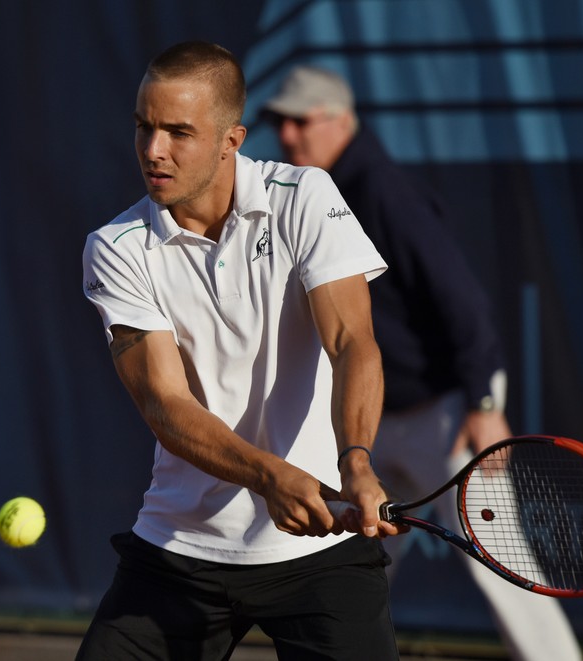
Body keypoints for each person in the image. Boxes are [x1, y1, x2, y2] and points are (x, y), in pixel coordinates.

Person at [79, 42, 407, 660]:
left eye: (179, 131)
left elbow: (352, 342)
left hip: (320, 558)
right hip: (179, 552)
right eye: (144, 127)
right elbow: (165, 405)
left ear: (232, 139)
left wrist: (356, 462)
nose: (154, 150)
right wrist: (268, 476)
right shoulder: (116, 247)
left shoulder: (305, 197)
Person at [263, 64, 583, 661]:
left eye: (300, 121)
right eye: (280, 122)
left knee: (503, 565)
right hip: (383, 420)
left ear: (339, 121)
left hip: (448, 414)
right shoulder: (319, 194)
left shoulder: (383, 190)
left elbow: (461, 301)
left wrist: (485, 404)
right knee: (354, 565)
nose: (286, 135)